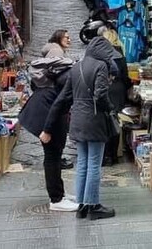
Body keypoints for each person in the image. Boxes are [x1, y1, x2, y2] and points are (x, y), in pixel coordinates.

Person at [40, 33, 121, 220]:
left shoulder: (76, 67)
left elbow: (64, 98)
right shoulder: (101, 66)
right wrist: (110, 109)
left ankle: (82, 205)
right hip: (94, 121)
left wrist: (48, 126)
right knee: (94, 163)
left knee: (83, 163)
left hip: (77, 119)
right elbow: (100, 95)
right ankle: (94, 206)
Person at [18, 56, 76, 211]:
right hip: (44, 114)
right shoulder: (73, 79)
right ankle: (56, 199)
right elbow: (58, 106)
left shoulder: (70, 74)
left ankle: (59, 194)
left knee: (55, 155)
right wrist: (47, 130)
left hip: (43, 108)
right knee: (52, 156)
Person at [100, 29, 132, 167]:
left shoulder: (102, 54)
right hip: (118, 90)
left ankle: (105, 154)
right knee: (116, 121)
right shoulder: (120, 54)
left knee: (105, 121)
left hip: (107, 88)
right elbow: (125, 76)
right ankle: (113, 154)